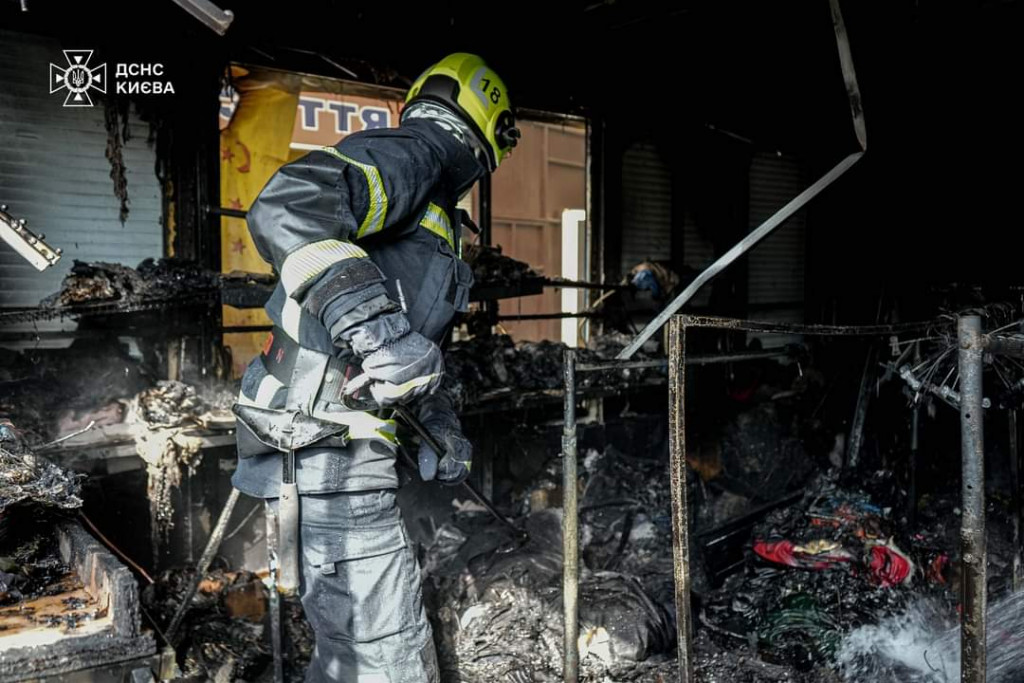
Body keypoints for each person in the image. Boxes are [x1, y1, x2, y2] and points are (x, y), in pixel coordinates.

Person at [230, 53, 520, 682]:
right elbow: (288, 205)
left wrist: (437, 416)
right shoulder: (418, 152)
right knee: (383, 659)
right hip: (327, 438)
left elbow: (410, 343)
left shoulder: (431, 198)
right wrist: (379, 330)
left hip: (338, 437)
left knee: (353, 653)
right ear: (488, 121)